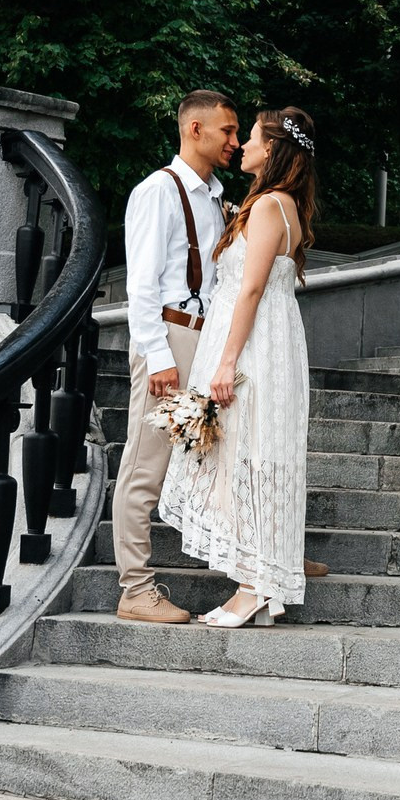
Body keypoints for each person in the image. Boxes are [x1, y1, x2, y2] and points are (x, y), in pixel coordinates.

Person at [158, 107, 318, 626]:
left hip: (249, 349)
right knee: (245, 458)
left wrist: (225, 363)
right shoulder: (279, 205)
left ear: (271, 150)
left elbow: (249, 289)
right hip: (266, 340)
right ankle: (259, 586)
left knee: (242, 459)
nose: (242, 145)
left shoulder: (271, 205)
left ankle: (253, 587)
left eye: (249, 137)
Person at [110, 90, 241, 623]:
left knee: (224, 454)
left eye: (236, 134)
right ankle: (135, 588)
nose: (234, 141)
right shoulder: (157, 192)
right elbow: (140, 288)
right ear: (195, 130)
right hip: (171, 337)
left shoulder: (214, 195)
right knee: (146, 464)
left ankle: (258, 561)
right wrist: (158, 356)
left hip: (206, 340)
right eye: (227, 131)